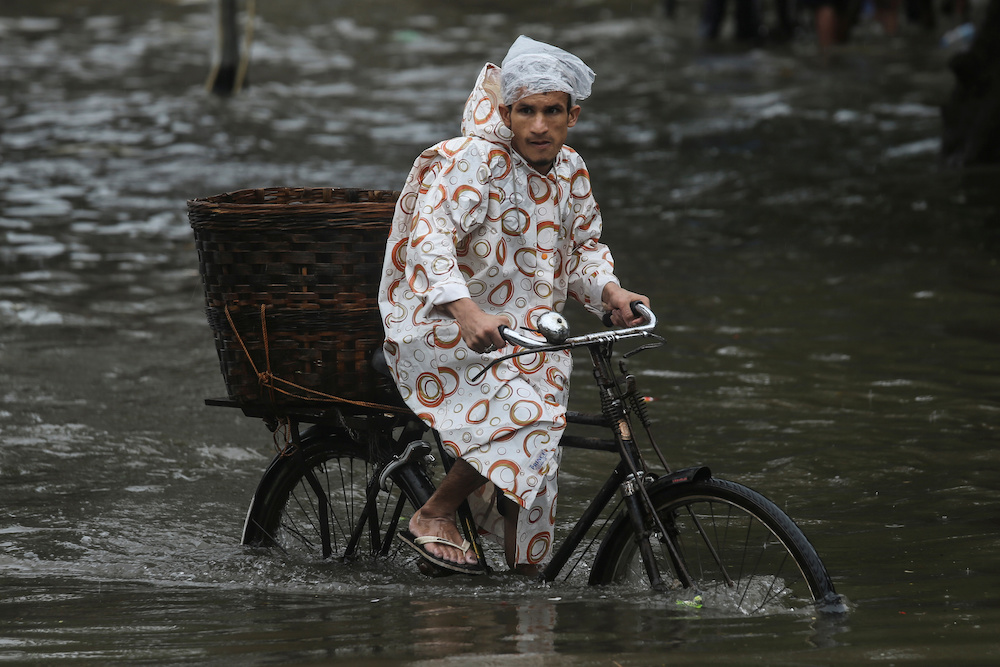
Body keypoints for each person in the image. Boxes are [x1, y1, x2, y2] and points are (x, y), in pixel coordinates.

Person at [377, 35, 649, 576]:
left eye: (553, 112)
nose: (540, 125)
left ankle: (522, 608)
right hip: (444, 327)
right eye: (527, 111)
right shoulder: (472, 160)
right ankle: (434, 513)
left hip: (532, 337)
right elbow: (429, 241)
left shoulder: (572, 170)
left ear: (573, 116)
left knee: (538, 479)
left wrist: (612, 294)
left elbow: (584, 252)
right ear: (507, 112)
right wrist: (466, 311)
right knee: (531, 421)